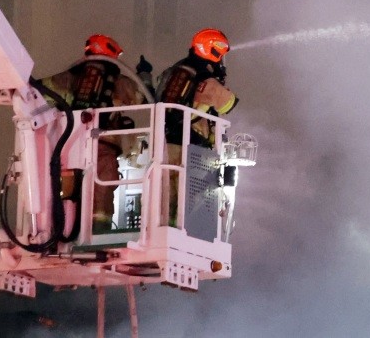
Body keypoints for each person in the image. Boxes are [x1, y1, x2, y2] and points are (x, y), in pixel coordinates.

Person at [36, 34, 153, 233]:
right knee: (102, 191)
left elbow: (37, 91)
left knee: (68, 190)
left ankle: (63, 230)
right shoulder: (118, 82)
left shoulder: (68, 77)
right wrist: (144, 75)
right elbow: (145, 98)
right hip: (103, 146)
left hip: (70, 147)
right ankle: (98, 231)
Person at [155, 28, 237, 227]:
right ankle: (181, 231)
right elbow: (228, 104)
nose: (221, 61)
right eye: (221, 56)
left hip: (163, 143)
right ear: (213, 51)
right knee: (190, 199)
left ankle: (165, 230)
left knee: (164, 198)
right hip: (190, 148)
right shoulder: (205, 80)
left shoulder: (173, 72)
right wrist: (219, 79)